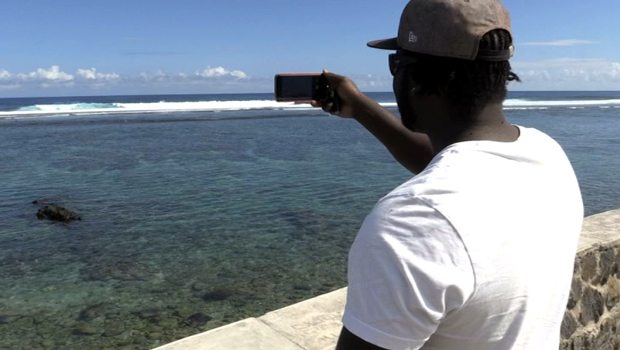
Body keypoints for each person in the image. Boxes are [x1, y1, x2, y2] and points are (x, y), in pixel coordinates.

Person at [313, 0, 584, 349]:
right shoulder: (546, 153)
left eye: (396, 64)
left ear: (413, 77)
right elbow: (453, 162)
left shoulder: (413, 222)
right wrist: (361, 107)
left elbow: (448, 180)